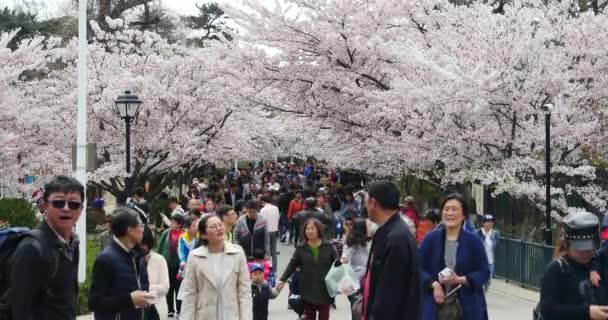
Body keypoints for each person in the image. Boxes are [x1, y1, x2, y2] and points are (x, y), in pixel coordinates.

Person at [9, 176, 84, 320]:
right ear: (44, 206)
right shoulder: (31, 249)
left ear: (81, 209)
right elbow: (20, 311)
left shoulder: (73, 244)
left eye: (74, 204)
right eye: (58, 202)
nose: (66, 208)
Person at [418, 193, 489, 320]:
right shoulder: (431, 239)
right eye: (446, 209)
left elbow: (484, 272)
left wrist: (461, 279)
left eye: (454, 209)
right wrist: (434, 284)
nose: (449, 213)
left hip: (467, 307)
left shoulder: (474, 241)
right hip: (435, 306)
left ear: (463, 215)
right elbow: (418, 268)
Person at [363, 180, 421, 320]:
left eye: (366, 201)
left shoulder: (397, 238)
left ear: (374, 203)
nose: (365, 206)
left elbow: (390, 293)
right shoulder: (388, 231)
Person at [179, 215, 252, 320]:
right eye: (213, 226)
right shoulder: (194, 256)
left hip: (231, 315)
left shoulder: (237, 253)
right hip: (205, 315)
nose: (218, 228)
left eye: (220, 225)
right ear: (204, 235)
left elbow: (244, 291)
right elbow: (190, 293)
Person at [540, 211, 608, 320]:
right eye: (580, 249)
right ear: (567, 244)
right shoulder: (556, 269)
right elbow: (548, 310)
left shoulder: (597, 264)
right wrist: (588, 312)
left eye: (589, 248)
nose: (585, 253)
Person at [89, 207, 151, 320]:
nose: (143, 229)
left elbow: (143, 295)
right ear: (130, 230)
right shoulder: (105, 259)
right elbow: (95, 302)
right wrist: (129, 300)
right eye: (141, 225)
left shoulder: (138, 255)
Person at [278, 218, 338, 320]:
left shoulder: (329, 246)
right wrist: (282, 279)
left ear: (318, 230)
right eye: (307, 229)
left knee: (324, 316)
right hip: (307, 289)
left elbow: (337, 264)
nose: (309, 231)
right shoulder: (301, 248)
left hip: (324, 289)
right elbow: (292, 265)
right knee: (309, 317)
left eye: (312, 228)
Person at [156, 214, 185, 317]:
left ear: (180, 224)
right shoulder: (166, 233)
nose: (171, 224)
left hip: (180, 266)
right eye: (171, 222)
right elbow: (159, 248)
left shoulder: (185, 234)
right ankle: (170, 309)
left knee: (179, 288)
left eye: (174, 222)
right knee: (169, 288)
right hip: (167, 265)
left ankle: (179, 310)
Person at [141, 227, 170, 320]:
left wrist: (143, 289)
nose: (143, 247)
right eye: (140, 244)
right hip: (137, 310)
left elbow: (165, 287)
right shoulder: (130, 260)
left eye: (145, 244)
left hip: (158, 306)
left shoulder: (159, 260)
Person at [340, 218, 370, 306]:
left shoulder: (350, 242)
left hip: (354, 278)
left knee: (355, 306)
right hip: (366, 277)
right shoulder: (369, 241)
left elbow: (344, 259)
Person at [476, 214, 500, 292]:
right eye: (487, 222)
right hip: (479, 262)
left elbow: (496, 245)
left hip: (490, 262)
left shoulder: (495, 234)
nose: (490, 224)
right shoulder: (477, 233)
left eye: (491, 222)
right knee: (481, 281)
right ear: (483, 223)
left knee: (488, 281)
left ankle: (483, 294)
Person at [260, 195, 281, 269]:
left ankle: (267, 269)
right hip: (274, 231)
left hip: (266, 231)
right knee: (273, 251)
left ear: (263, 201)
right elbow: (278, 218)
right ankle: (274, 270)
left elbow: (261, 221)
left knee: (267, 251)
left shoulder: (263, 210)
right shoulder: (276, 208)